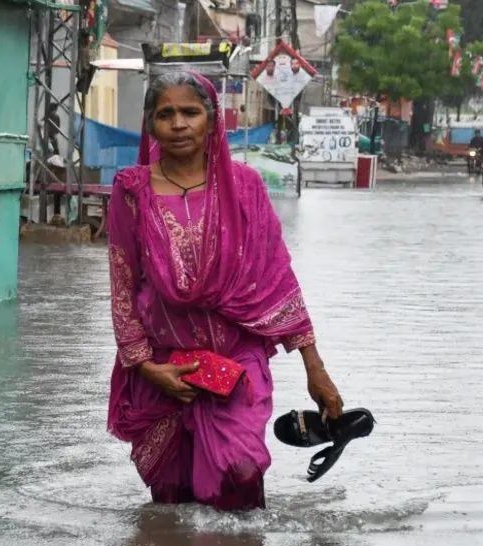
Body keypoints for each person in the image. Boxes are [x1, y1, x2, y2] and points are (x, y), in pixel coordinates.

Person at [105, 71, 344, 511]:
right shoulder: (131, 191)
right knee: (171, 502)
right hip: (164, 366)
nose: (179, 124)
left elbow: (277, 281)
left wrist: (316, 370)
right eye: (166, 114)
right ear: (150, 124)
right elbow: (122, 285)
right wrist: (147, 368)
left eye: (191, 112)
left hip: (236, 361)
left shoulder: (245, 187)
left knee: (240, 477)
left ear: (212, 120)